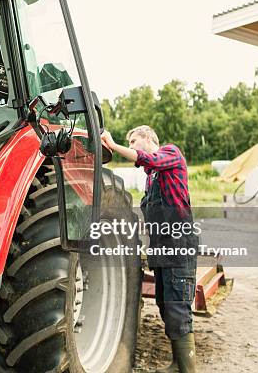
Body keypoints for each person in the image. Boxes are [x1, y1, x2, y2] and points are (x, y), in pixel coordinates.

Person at [101, 125, 197, 373]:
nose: (132, 146)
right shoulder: (151, 178)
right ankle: (177, 364)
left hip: (178, 247)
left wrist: (112, 145)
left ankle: (188, 369)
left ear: (147, 137)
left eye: (133, 141)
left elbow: (147, 159)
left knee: (178, 308)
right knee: (166, 307)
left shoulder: (170, 154)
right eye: (129, 142)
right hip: (162, 249)